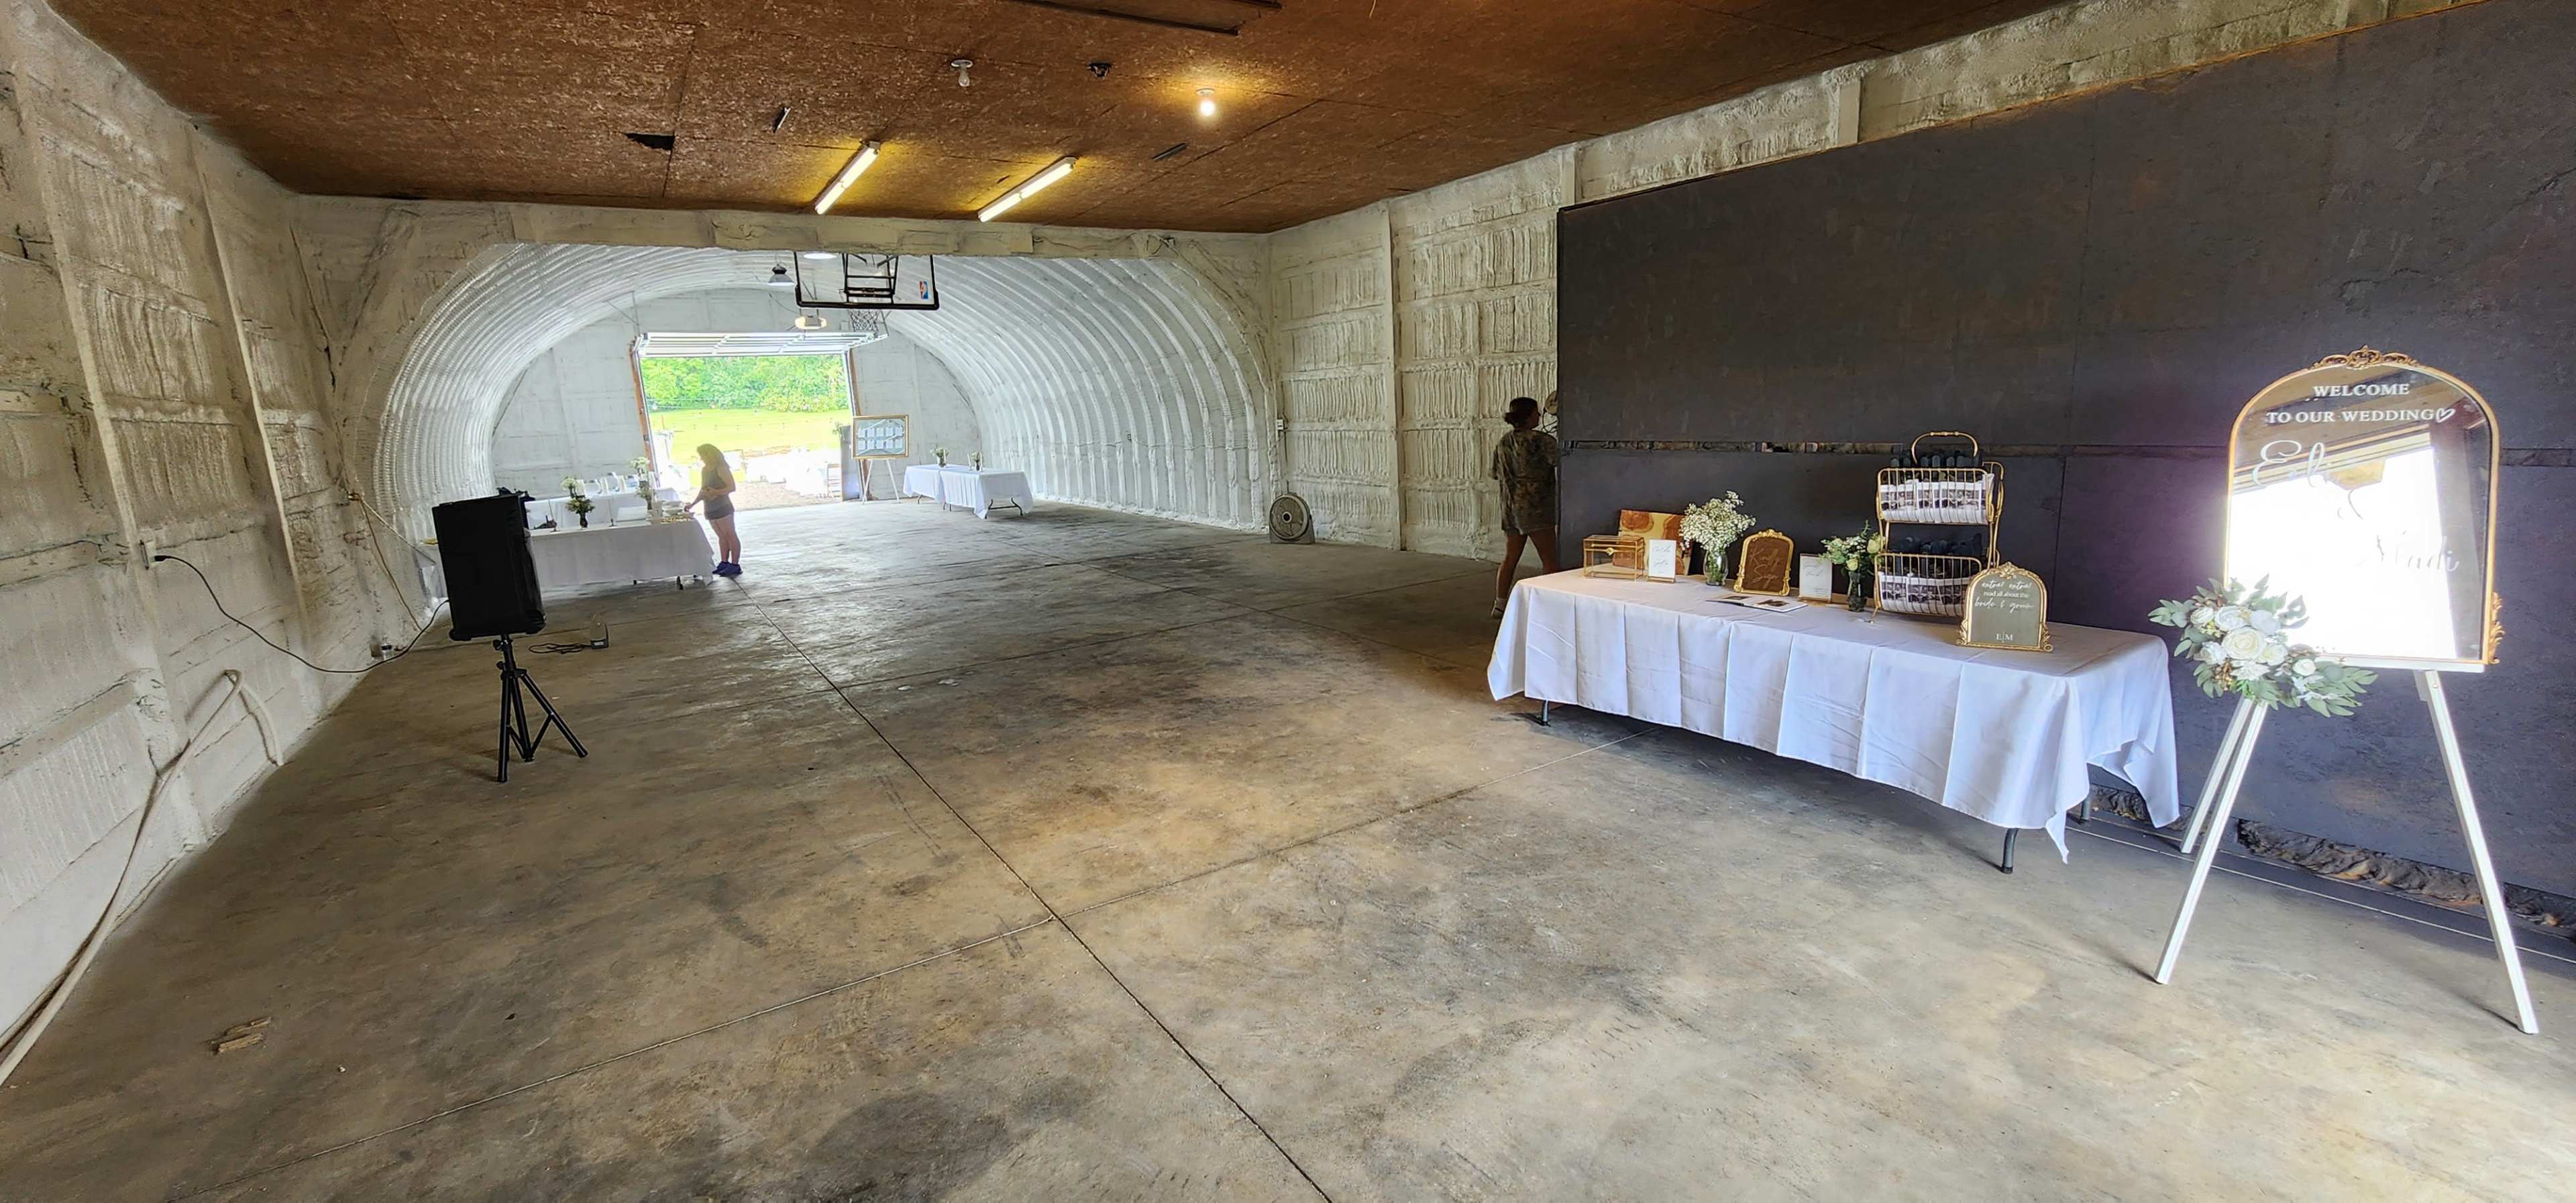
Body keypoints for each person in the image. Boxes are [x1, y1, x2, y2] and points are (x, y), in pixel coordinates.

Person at [1490, 395, 1560, 616]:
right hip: (1536, 508)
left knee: (1510, 558)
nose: (1540, 415)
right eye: (1536, 412)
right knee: (1549, 559)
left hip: (1510, 509)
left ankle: (1500, 604)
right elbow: (1563, 462)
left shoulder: (1503, 441)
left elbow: (1494, 474)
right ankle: (1549, 605)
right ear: (1529, 416)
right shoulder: (1542, 441)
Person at [683, 443, 742, 577]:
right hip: (710, 507)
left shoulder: (721, 468)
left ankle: (735, 564)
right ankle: (724, 561)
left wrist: (716, 492)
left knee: (730, 534)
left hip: (723, 506)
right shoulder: (705, 470)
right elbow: (703, 489)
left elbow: (731, 487)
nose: (702, 458)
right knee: (721, 536)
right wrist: (693, 504)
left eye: (703, 455)